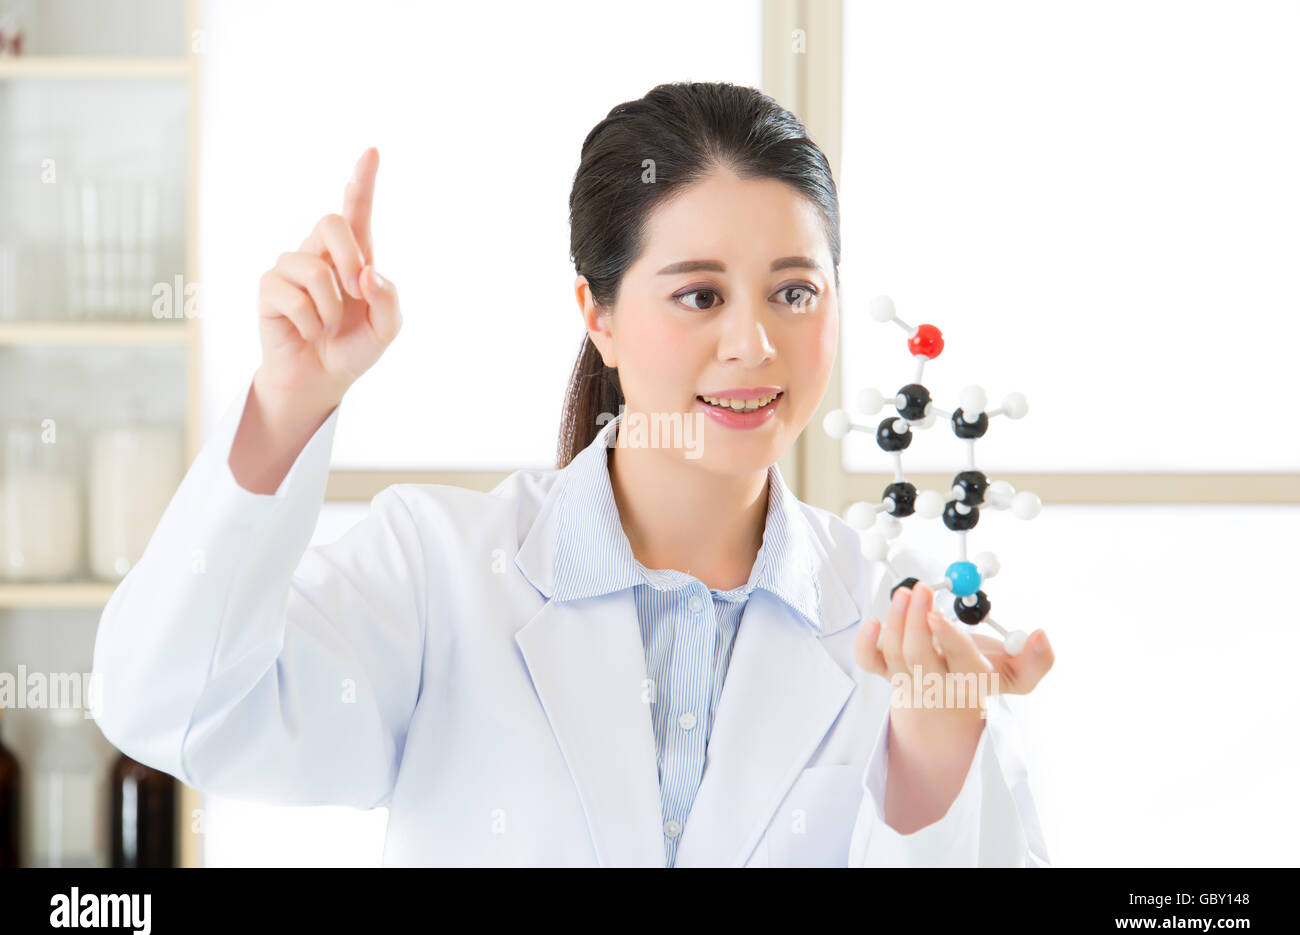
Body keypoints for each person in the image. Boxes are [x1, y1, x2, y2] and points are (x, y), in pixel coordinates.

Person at [92, 81, 1054, 867]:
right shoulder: (441, 575)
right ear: (597, 314)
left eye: (795, 291)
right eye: (700, 294)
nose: (754, 343)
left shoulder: (906, 638)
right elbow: (172, 706)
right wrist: (283, 408)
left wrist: (930, 781)